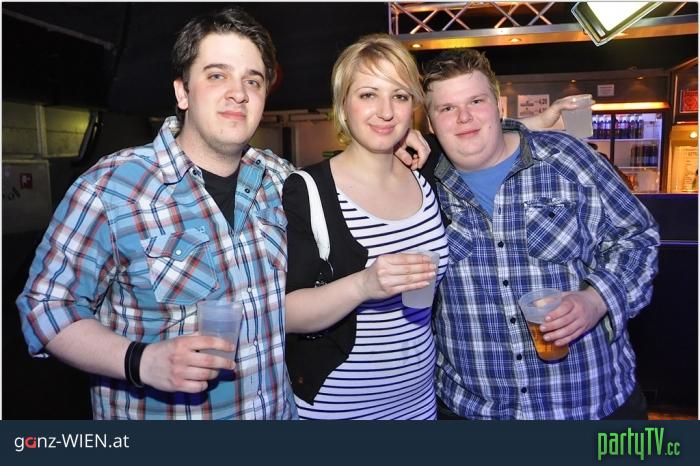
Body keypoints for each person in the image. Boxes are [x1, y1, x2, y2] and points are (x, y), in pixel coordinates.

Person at [16, 6, 301, 420]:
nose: (238, 93)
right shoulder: (112, 186)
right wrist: (141, 361)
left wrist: (394, 158)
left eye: (252, 80)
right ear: (183, 92)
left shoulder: (279, 180)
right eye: (217, 75)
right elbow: (45, 306)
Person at [421, 49, 660, 420]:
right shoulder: (420, 187)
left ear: (497, 106)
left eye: (476, 101)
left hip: (589, 405)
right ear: (431, 124)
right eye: (447, 108)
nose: (464, 117)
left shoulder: (569, 159)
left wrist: (596, 299)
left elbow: (637, 238)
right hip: (476, 412)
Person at [282, 34, 448, 420]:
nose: (385, 111)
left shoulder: (426, 175)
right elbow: (285, 313)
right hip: (338, 408)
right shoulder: (309, 190)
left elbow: (477, 132)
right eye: (368, 94)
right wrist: (364, 285)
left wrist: (536, 123)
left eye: (399, 96)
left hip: (420, 402)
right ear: (343, 104)